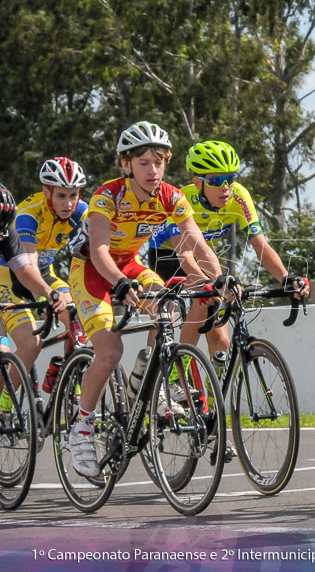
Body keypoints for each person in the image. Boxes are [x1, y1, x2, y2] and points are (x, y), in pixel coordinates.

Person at [66, 121, 227, 477]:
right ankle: (80, 429)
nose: (153, 170)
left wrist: (219, 278)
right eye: (144, 163)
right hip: (93, 269)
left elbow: (197, 243)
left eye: (159, 162)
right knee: (109, 351)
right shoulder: (107, 195)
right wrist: (120, 283)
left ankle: (147, 382)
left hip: (132, 265)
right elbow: (99, 249)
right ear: (126, 165)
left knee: (167, 305)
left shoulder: (171, 196)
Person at [145, 140, 309, 359]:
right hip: (168, 254)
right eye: (215, 180)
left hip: (202, 253)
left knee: (222, 341)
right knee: (195, 299)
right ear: (198, 182)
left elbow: (260, 245)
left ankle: (214, 390)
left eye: (230, 179)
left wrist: (286, 278)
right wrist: (209, 283)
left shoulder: (239, 196)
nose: (225, 187)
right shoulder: (183, 199)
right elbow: (184, 255)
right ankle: (173, 369)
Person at [0, 158, 86, 384]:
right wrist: (45, 294)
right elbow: (27, 264)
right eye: (61, 196)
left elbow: (95, 250)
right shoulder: (29, 214)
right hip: (10, 276)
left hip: (45, 273)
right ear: (47, 191)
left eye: (73, 195)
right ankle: (6, 402)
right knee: (31, 345)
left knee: (80, 318)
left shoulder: (81, 211)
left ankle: (69, 383)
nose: (68, 203)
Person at [0, 182, 69, 412]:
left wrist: (47, 293)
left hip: (5, 280)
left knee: (30, 343)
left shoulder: (6, 230)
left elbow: (24, 270)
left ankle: (4, 405)